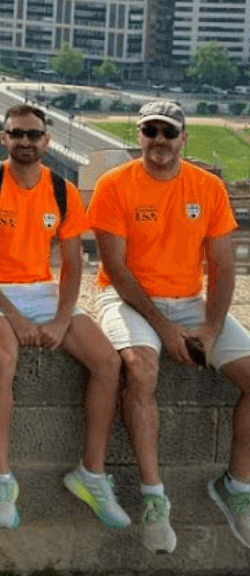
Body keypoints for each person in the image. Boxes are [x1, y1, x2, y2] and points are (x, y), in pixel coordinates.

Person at [89, 99, 250, 554]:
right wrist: (163, 328)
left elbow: (221, 265)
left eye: (168, 132)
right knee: (140, 371)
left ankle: (237, 486)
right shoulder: (114, 185)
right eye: (150, 131)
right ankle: (154, 498)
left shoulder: (208, 188)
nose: (159, 141)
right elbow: (116, 271)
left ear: (183, 138)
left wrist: (212, 329)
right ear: (140, 137)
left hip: (189, 302)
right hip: (126, 297)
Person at [0, 105, 126, 530]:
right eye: (17, 134)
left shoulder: (63, 191)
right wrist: (12, 316)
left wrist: (61, 318)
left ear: (47, 141)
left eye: (34, 135)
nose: (26, 142)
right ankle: (1, 478)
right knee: (4, 356)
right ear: (3, 138)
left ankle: (91, 473)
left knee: (108, 362)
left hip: (42, 292)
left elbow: (73, 265)